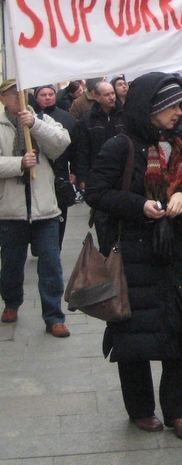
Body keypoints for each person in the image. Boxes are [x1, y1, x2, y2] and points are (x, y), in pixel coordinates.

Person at [84, 73, 182, 441]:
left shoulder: (180, 144)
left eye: (179, 105)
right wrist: (140, 205)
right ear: (149, 109)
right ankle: (140, 409)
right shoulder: (120, 146)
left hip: (174, 255)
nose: (178, 112)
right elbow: (97, 193)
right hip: (134, 256)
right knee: (133, 338)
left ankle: (179, 412)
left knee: (176, 333)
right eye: (171, 106)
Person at [0, 79, 72, 336]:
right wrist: (18, 163)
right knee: (11, 264)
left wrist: (35, 125)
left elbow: (61, 143)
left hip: (45, 209)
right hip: (11, 211)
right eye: (11, 94)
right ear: (2, 98)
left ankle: (54, 316)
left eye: (21, 92)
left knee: (51, 264)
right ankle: (11, 302)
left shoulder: (41, 119)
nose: (17, 97)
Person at [73, 80, 125, 254]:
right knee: (103, 220)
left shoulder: (124, 115)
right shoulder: (88, 120)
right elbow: (82, 150)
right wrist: (82, 177)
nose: (111, 97)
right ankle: (106, 255)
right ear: (96, 97)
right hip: (99, 177)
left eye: (112, 93)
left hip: (124, 175)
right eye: (107, 94)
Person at [32, 84, 78, 249]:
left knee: (60, 213)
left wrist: (75, 171)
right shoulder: (30, 116)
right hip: (38, 172)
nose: (48, 97)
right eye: (43, 95)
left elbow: (76, 147)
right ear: (36, 98)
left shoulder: (66, 119)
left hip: (60, 173)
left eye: (51, 94)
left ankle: (55, 246)